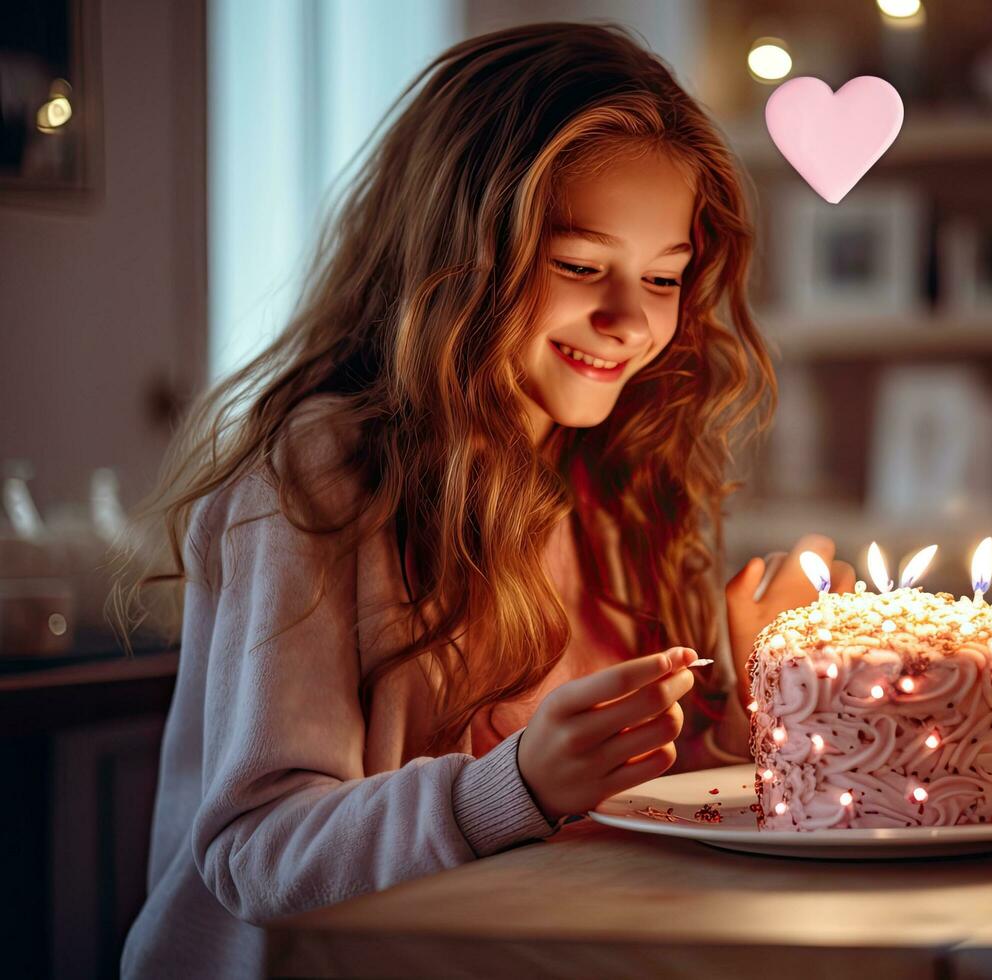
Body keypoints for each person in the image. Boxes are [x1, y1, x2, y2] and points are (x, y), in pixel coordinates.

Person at [114, 22, 855, 979]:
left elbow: (633, 808)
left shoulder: (622, 481)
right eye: (582, 266)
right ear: (454, 255)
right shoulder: (316, 480)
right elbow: (256, 850)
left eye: (664, 278)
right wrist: (513, 787)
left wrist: (753, 709)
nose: (631, 320)